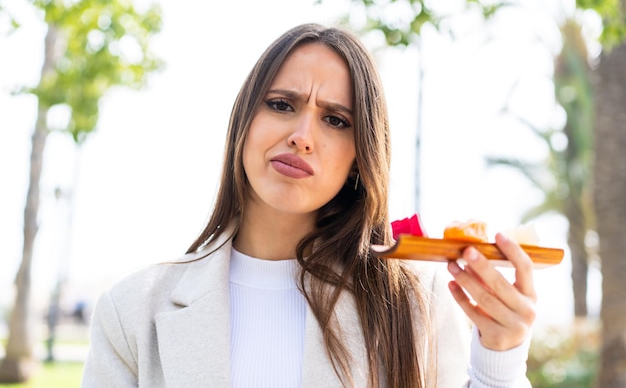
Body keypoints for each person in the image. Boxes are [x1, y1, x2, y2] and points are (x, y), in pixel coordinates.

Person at [81, 23, 536, 388]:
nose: (302, 135)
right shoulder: (131, 312)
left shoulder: (414, 302)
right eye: (281, 104)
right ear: (244, 124)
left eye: (336, 120)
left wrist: (501, 361)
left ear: (360, 159)